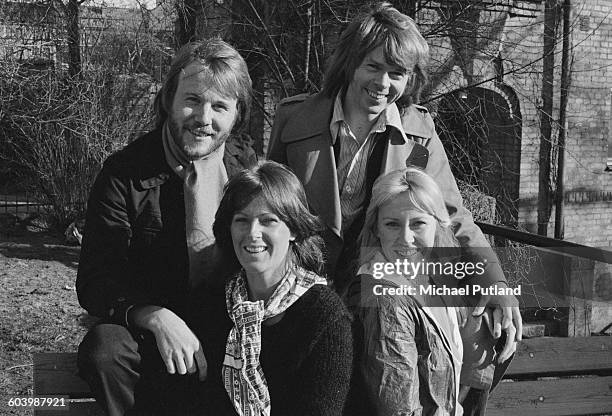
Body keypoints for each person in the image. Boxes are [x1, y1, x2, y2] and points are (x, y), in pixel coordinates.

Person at [267, 2, 521, 356]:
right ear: (350, 64)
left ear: (410, 78)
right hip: (302, 288)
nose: (382, 83)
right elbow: (269, 207)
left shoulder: (420, 133)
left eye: (397, 72)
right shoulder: (293, 121)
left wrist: (496, 282)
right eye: (372, 66)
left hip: (378, 290)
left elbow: (453, 214)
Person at [76, 39, 257, 415]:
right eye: (192, 100)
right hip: (147, 330)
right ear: (168, 101)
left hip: (225, 326)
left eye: (220, 106)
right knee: (104, 350)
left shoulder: (248, 172)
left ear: (236, 115)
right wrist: (154, 316)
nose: (204, 118)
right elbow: (96, 278)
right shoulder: (124, 174)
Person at [188, 160, 353, 415]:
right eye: (242, 220)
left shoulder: (325, 316)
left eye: (268, 221)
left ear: (294, 230)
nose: (253, 232)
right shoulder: (210, 302)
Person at [346, 168, 508, 416]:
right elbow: (400, 409)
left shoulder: (433, 279)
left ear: (438, 225)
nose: (406, 238)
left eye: (418, 223)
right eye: (392, 224)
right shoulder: (384, 300)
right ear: (376, 229)